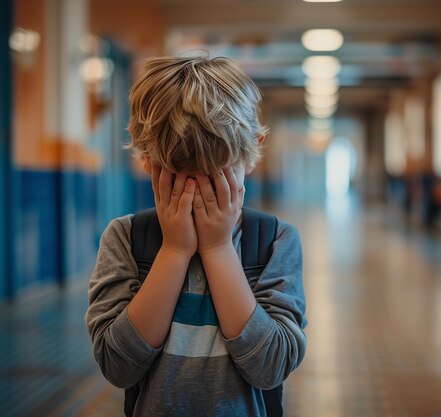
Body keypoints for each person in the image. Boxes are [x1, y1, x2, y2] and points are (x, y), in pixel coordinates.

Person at [85, 56, 307, 417]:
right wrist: (174, 250)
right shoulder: (125, 238)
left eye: (216, 177)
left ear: (252, 153)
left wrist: (218, 248)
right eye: (180, 178)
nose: (198, 194)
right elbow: (118, 365)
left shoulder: (275, 241)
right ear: (147, 161)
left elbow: (271, 367)